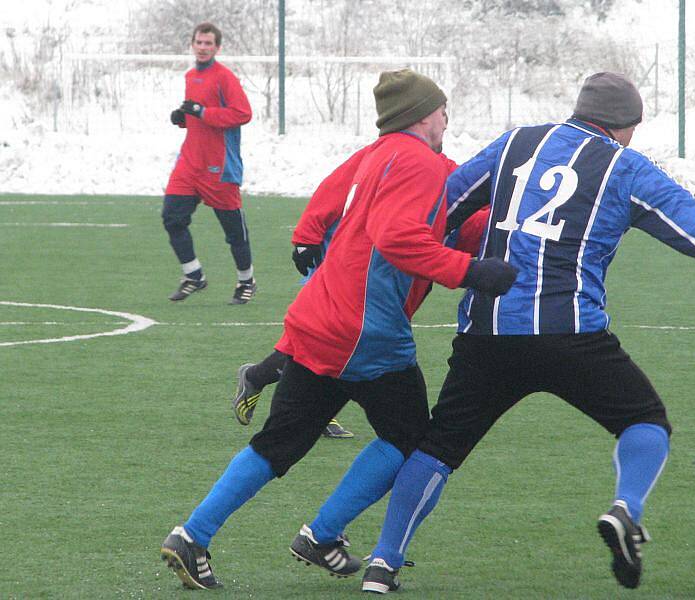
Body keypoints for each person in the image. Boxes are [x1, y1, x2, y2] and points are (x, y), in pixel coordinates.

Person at [360, 72, 695, 594]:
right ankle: (626, 509)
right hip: (571, 335)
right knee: (645, 419)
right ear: (624, 125)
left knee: (439, 447)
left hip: (488, 330)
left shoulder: (516, 142)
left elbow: (445, 203)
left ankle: (383, 564)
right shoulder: (623, 164)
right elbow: (678, 211)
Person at [159, 68, 516, 590]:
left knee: (281, 441)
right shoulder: (420, 161)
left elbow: (441, 221)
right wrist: (473, 271)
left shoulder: (381, 154)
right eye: (442, 109)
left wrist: (491, 229)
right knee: (411, 437)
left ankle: (192, 536)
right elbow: (399, 238)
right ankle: (323, 532)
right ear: (422, 114)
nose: (447, 118)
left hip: (322, 317)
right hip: (365, 331)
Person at [230, 138, 481, 439]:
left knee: (331, 338)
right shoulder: (388, 153)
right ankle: (294, 402)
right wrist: (307, 235)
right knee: (323, 334)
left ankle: (267, 382)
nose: (443, 122)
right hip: (347, 258)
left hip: (386, 273)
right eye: (439, 114)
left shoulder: (445, 170)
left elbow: (472, 220)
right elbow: (336, 185)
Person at [162, 22, 256, 305]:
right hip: (190, 163)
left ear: (217, 48)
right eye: (199, 43)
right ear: (192, 44)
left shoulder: (225, 77)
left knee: (233, 232)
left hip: (219, 167)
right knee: (172, 218)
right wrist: (183, 118)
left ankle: (246, 281)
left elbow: (242, 114)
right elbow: (199, 117)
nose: (203, 48)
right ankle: (194, 276)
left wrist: (203, 112)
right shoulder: (191, 76)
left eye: (208, 44)